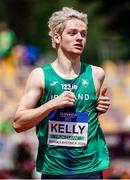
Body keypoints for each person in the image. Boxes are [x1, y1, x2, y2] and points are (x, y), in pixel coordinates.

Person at [13, 7, 110, 179]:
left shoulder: (96, 74)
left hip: (90, 169)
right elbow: (19, 123)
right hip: (55, 170)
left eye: (83, 34)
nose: (80, 38)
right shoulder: (40, 76)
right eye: (73, 33)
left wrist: (98, 108)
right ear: (57, 37)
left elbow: (84, 115)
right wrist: (52, 104)